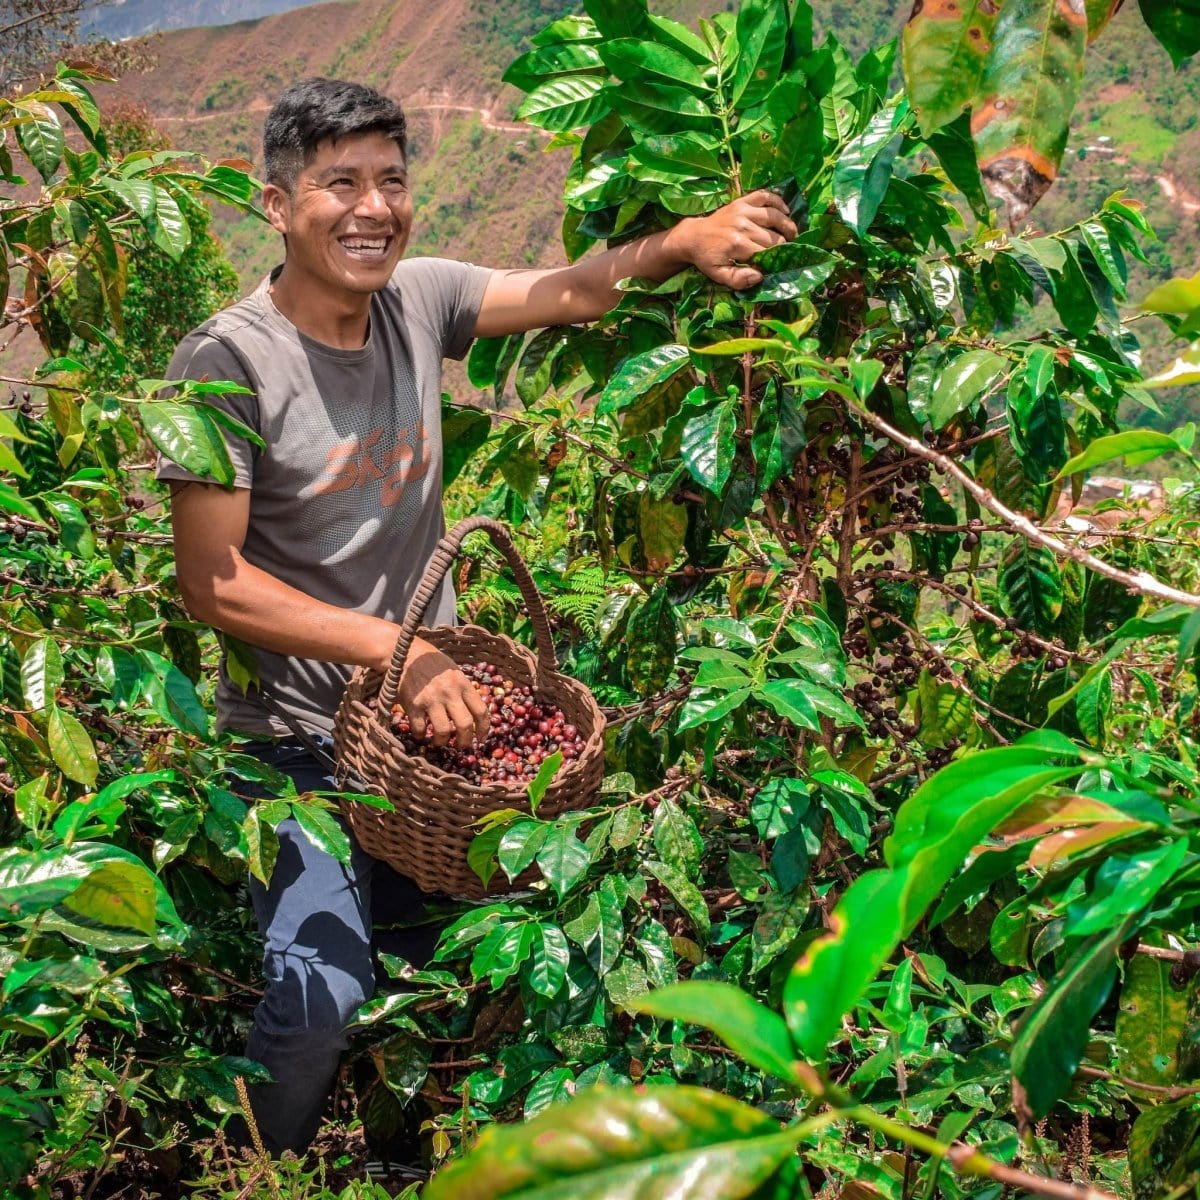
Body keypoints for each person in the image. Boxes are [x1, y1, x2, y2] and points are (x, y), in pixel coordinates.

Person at [159, 77, 796, 1158]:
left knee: (448, 972)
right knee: (320, 996)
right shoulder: (221, 364)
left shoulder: (420, 297)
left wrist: (684, 240)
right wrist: (392, 657)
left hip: (440, 743)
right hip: (297, 745)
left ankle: (403, 1165)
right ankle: (254, 1175)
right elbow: (212, 585)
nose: (373, 208)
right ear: (276, 205)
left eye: (392, 181)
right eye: (339, 184)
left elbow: (573, 292)